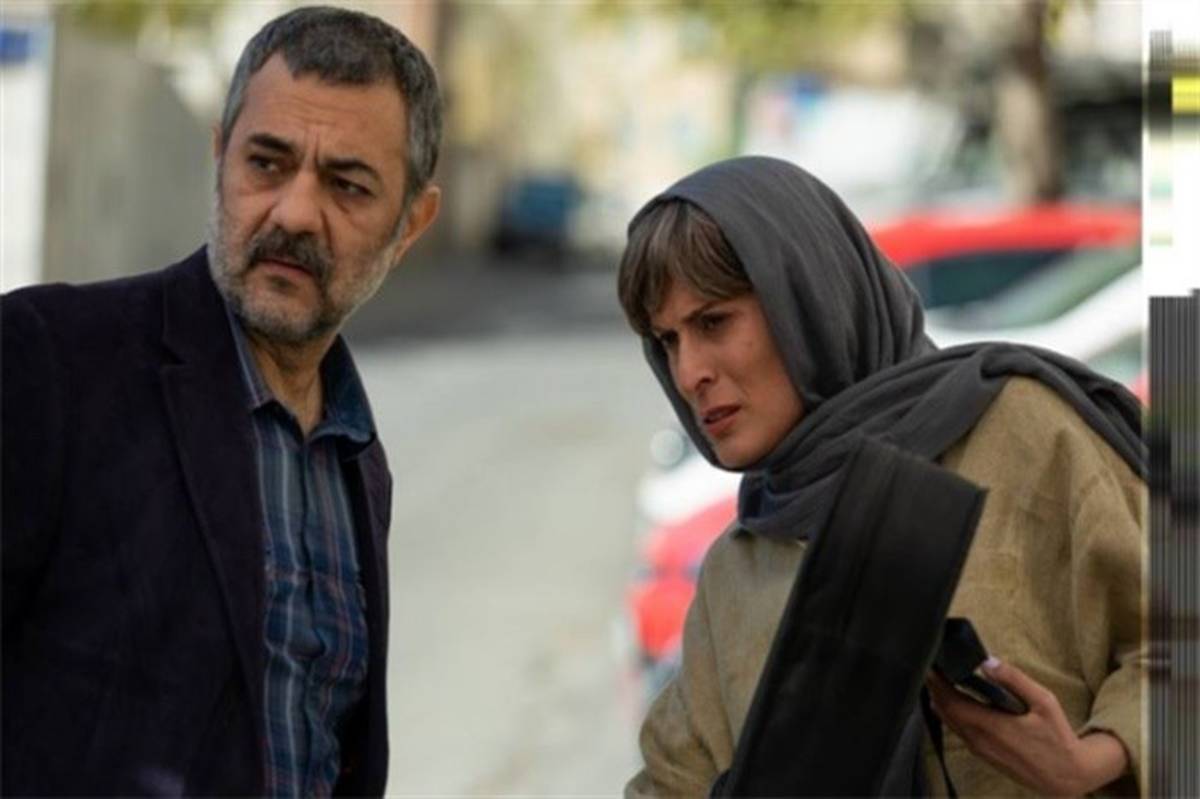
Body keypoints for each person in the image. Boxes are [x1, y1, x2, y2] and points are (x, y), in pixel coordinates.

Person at [1, 7, 441, 796]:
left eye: (347, 185)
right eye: (267, 163)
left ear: (411, 225)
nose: (295, 213)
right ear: (219, 155)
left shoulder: (356, 459)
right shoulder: (49, 361)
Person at [617, 156, 1145, 796]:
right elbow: (670, 782)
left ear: (805, 300)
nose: (688, 372)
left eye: (713, 322)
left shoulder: (1021, 433)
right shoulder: (737, 569)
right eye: (667, 341)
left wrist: (1095, 758)